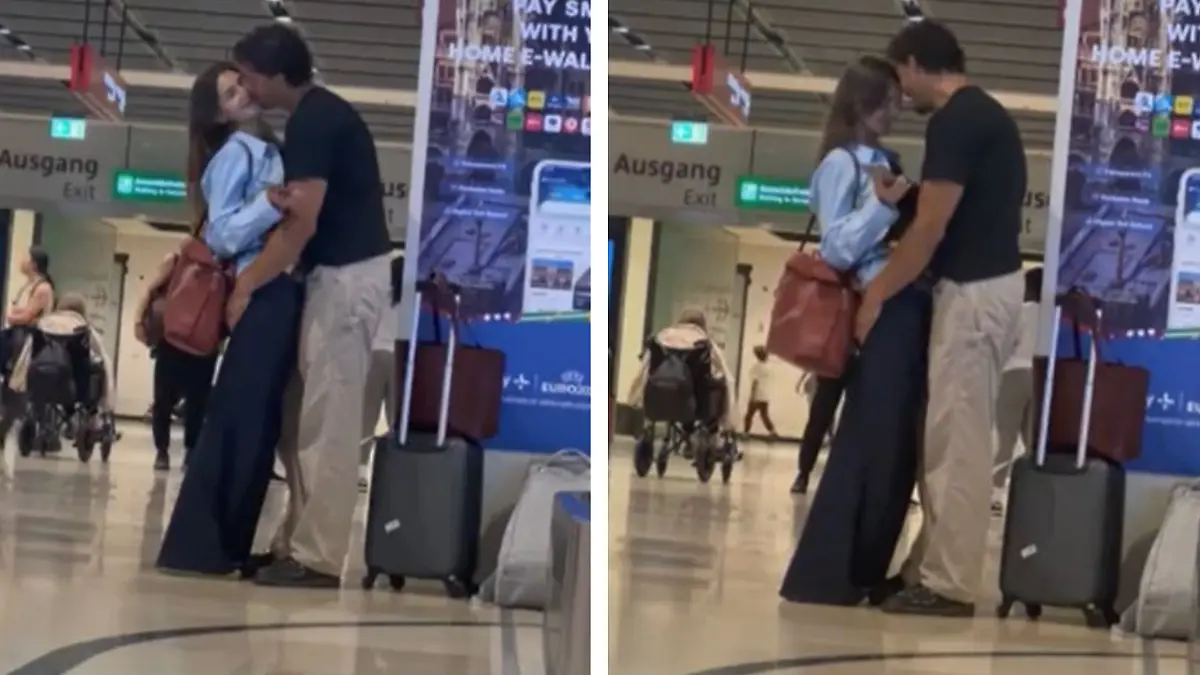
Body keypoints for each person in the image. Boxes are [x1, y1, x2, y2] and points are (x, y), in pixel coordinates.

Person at [859, 20, 1025, 617]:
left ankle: (951, 585)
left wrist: (876, 293)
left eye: (902, 77)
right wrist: (904, 196)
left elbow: (931, 232)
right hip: (988, 288)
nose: (904, 92)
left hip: (975, 296)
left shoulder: (957, 121)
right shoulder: (983, 116)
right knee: (948, 437)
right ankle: (927, 570)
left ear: (914, 63)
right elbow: (950, 213)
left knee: (956, 444)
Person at [230, 24, 392, 588]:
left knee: (329, 422)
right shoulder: (313, 117)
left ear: (276, 73)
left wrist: (246, 282)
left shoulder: (317, 121)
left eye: (248, 74)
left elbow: (303, 221)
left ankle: (319, 558)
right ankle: (293, 544)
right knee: (303, 420)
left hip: (346, 282)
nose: (243, 84)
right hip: (336, 279)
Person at [779, 55, 931, 607]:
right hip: (875, 306)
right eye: (887, 100)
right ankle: (834, 573)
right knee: (872, 441)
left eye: (897, 99)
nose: (895, 109)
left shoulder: (886, 159)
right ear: (864, 102)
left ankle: (868, 565)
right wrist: (885, 211)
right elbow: (838, 246)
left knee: (894, 446)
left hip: (906, 302)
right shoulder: (839, 164)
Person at [155, 61, 301, 578]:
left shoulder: (264, 147)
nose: (242, 93)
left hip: (269, 292)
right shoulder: (237, 153)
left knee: (253, 419)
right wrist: (267, 206)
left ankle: (224, 543)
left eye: (240, 83)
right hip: (258, 291)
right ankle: (207, 544)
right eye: (229, 92)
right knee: (244, 418)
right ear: (217, 113)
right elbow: (221, 235)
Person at [134, 250, 217, 471]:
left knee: (197, 402)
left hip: (204, 342)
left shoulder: (224, 264)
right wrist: (139, 321)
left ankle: (190, 450)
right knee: (163, 399)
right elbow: (152, 289)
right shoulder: (177, 259)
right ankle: (162, 450)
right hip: (173, 339)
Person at [627, 307, 740, 434]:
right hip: (694, 404)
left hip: (658, 399)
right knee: (714, 387)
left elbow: (644, 370)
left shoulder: (661, 338)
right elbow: (726, 375)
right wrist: (729, 419)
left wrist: (633, 399)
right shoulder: (705, 343)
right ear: (702, 324)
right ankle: (707, 435)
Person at [991, 266, 1041, 515]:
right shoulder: (1052, 316)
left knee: (1004, 437)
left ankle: (994, 495)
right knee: (1033, 440)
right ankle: (1032, 495)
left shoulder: (1020, 312)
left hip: (1013, 374)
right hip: (1040, 377)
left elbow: (1004, 347)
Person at [359, 255, 403, 491]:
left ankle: (360, 471)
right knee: (396, 418)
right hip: (399, 357)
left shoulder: (381, 296)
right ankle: (395, 469)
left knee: (367, 417)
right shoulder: (411, 300)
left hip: (375, 355)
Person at [791, 373, 845, 494]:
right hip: (833, 366)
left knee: (856, 423)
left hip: (860, 362)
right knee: (817, 420)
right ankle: (803, 473)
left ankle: (804, 474)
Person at [743, 346, 778, 438]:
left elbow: (755, 383)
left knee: (749, 415)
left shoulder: (756, 367)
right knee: (764, 415)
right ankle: (773, 431)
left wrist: (752, 396)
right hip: (765, 396)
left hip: (757, 395)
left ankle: (746, 433)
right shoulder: (769, 368)